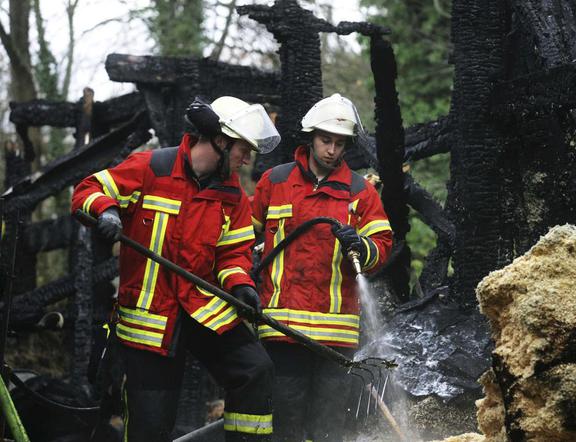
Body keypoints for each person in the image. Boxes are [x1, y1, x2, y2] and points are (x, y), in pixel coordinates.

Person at [72, 96, 281, 442]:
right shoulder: (152, 168)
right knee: (152, 426)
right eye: (244, 149)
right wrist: (107, 211)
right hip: (150, 319)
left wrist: (242, 286)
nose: (247, 159)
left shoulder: (234, 197)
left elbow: (233, 255)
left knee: (255, 369)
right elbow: (88, 190)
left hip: (202, 309)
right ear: (220, 139)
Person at [250, 93, 393, 441]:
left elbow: (383, 246)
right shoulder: (275, 182)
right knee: (284, 426)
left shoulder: (360, 192)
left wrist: (362, 246)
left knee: (329, 429)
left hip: (336, 335)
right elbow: (242, 239)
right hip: (282, 328)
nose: (331, 149)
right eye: (325, 140)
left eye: (339, 143)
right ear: (310, 137)